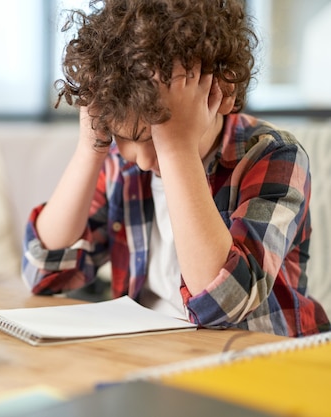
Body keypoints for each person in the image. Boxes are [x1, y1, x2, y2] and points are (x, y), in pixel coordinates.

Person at [21, 0, 330, 337]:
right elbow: (44, 271)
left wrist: (177, 147)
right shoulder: (121, 170)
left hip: (262, 366)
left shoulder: (273, 156)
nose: (142, 160)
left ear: (221, 92)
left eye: (156, 137)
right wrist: (90, 148)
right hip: (157, 358)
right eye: (125, 137)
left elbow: (224, 303)